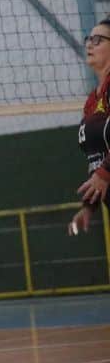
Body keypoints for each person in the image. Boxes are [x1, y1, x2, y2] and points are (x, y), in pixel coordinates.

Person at [74, 18, 110, 234]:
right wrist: (89, 205)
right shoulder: (91, 102)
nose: (89, 44)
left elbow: (102, 170)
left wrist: (104, 173)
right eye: (89, 39)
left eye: (97, 40)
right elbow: (97, 157)